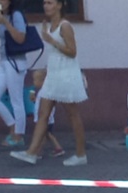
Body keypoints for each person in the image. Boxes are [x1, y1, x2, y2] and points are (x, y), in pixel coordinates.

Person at [10, 0, 86, 167]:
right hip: (53, 74)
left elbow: (72, 52)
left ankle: (81, 154)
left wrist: (51, 41)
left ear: (59, 5)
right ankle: (31, 153)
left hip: (66, 74)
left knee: (72, 114)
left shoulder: (65, 26)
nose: (46, 6)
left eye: (50, 3)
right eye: (45, 3)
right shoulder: (49, 26)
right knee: (43, 113)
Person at [0, 0, 33, 148]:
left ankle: (18, 135)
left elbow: (21, 38)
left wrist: (5, 24)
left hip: (15, 62)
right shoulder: (4, 15)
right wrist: (2, 20)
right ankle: (13, 125)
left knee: (16, 100)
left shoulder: (16, 15)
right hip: (4, 61)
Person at [25, 68, 64, 158]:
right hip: (44, 119)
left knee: (44, 136)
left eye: (35, 80)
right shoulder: (42, 92)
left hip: (46, 119)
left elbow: (45, 106)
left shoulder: (45, 93)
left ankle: (38, 152)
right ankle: (55, 149)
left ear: (43, 81)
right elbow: (39, 103)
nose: (34, 82)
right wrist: (33, 99)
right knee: (46, 135)